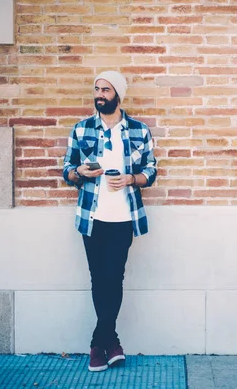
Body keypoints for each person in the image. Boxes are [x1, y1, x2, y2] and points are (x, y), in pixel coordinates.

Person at [62, 70, 157, 372]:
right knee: (98, 279)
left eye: (106, 89)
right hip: (92, 216)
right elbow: (67, 170)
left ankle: (97, 343)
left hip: (123, 217)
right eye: (97, 89)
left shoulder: (138, 130)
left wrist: (131, 178)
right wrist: (80, 173)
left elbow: (151, 170)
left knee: (114, 278)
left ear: (118, 94)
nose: (99, 94)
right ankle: (110, 341)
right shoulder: (81, 129)